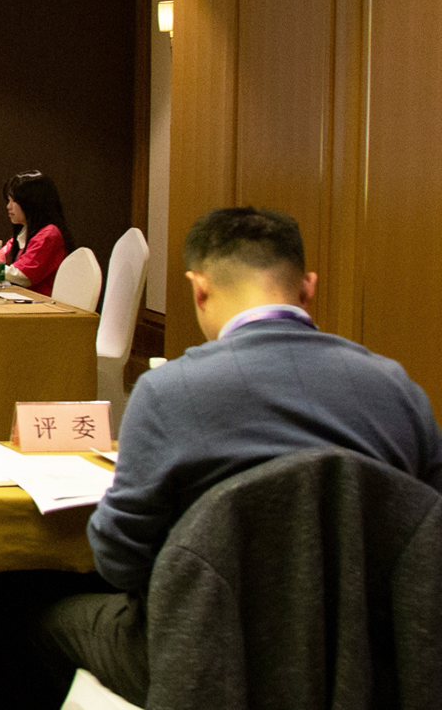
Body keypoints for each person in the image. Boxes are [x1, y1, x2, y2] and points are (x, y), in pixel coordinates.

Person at [35, 206, 442, 704]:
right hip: (367, 662)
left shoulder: (167, 393)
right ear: (308, 288)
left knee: (44, 623)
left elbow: (118, 561)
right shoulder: (398, 389)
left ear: (199, 289)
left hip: (204, 655)